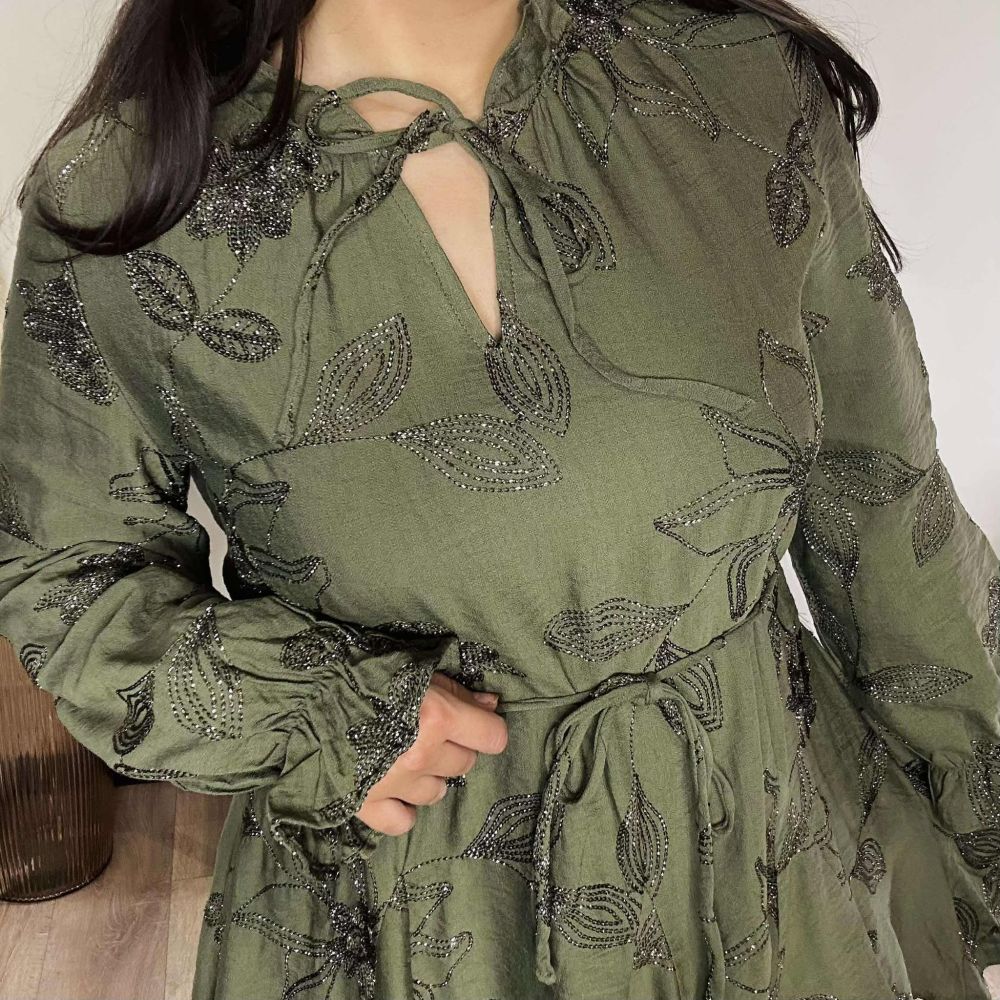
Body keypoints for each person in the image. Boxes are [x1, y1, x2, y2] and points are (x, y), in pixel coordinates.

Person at [1, 0, 998, 996]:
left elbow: (887, 510)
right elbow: (65, 577)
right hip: (420, 915)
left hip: (778, 860)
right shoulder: (132, 205)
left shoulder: (735, 81)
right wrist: (324, 712)